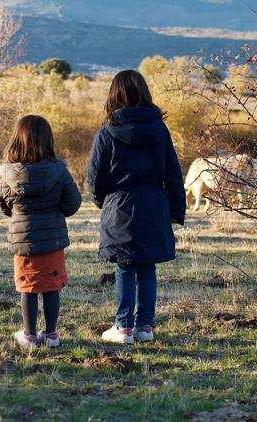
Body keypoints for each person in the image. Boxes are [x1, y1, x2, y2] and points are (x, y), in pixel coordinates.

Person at [86, 70, 186, 345]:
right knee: (147, 267)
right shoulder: (160, 129)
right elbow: (173, 172)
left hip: (120, 206)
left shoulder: (107, 131)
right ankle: (145, 327)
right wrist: (176, 209)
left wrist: (105, 203)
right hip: (155, 205)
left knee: (125, 267)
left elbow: (94, 177)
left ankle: (123, 327)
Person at [0, 115, 82, 349]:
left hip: (24, 242)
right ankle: (52, 334)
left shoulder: (6, 173)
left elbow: (2, 203)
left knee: (28, 287)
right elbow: (73, 203)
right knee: (51, 286)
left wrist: (18, 215)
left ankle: (29, 335)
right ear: (48, 140)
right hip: (52, 240)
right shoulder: (59, 170)